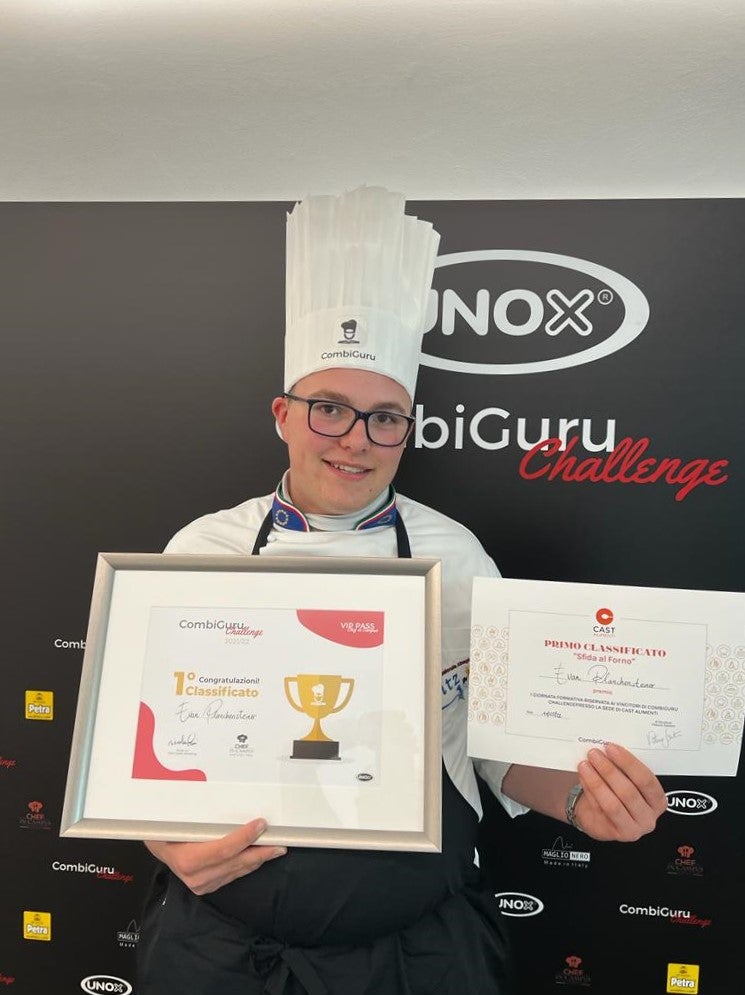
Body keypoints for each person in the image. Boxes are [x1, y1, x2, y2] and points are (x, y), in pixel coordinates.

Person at [137, 187, 667, 995]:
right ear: (282, 414)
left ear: (407, 428)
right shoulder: (201, 548)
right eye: (329, 409)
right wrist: (159, 838)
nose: (357, 440)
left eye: (385, 417)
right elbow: (146, 744)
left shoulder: (455, 554)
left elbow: (491, 739)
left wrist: (578, 799)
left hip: (416, 954)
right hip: (222, 950)